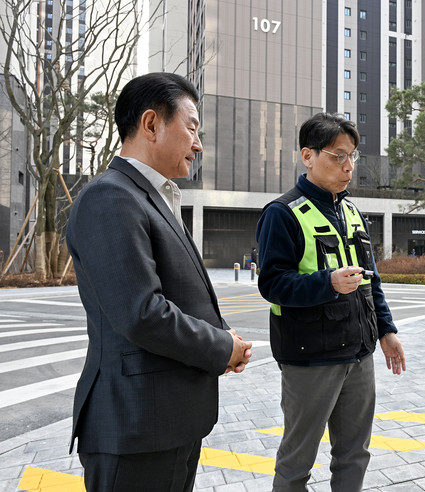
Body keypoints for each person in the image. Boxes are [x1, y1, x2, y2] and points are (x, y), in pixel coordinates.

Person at [65, 72, 253, 491]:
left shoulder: (154, 197)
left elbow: (180, 293)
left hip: (169, 421)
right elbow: (142, 313)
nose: (198, 144)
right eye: (192, 128)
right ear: (151, 124)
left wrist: (224, 337)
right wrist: (221, 346)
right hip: (136, 428)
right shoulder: (111, 197)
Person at [256, 112, 406, 491]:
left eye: (352, 156)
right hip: (310, 359)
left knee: (354, 455)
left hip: (359, 354)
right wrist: (328, 283)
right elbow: (272, 284)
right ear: (308, 156)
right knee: (296, 463)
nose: (349, 166)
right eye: (338, 156)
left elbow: (371, 280)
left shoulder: (352, 212)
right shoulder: (282, 214)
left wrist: (386, 330)